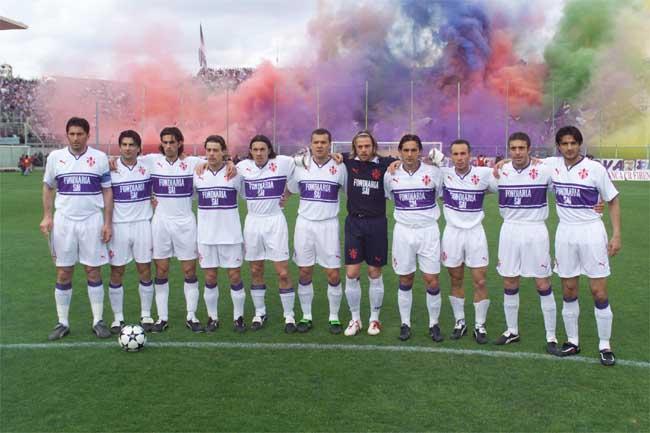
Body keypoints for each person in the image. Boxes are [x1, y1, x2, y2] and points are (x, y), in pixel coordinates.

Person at [547, 126, 621, 366]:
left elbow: (612, 200)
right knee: (569, 290)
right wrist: (502, 162)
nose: (569, 148)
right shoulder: (552, 166)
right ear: (558, 146)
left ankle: (605, 344)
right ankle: (572, 341)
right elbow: (525, 161)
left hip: (592, 233)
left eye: (573, 143)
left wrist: (616, 235)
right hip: (565, 234)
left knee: (599, 291)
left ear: (580, 144)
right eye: (564, 143)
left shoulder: (595, 169)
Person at [40, 117, 113, 340]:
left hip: (92, 220)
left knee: (93, 270)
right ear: (67, 135)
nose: (75, 138)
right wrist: (47, 216)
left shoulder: (100, 158)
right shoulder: (55, 157)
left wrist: (107, 222)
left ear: (87, 135)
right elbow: (48, 187)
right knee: (64, 272)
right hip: (64, 222)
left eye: (80, 134)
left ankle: (98, 321)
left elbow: (107, 191)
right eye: (71, 134)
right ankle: (62, 322)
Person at [492, 132, 558, 353]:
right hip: (509, 230)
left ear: (529, 149)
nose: (517, 152)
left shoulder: (544, 169)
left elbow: (567, 171)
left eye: (522, 148)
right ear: (509, 150)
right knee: (509, 281)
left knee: (542, 283)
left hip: (535, 230)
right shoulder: (501, 171)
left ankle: (551, 336)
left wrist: (597, 203)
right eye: (513, 148)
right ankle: (512, 331)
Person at [139, 127, 204, 333]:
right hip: (161, 223)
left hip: (185, 223)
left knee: (189, 270)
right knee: (161, 270)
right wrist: (112, 162)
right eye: (165, 142)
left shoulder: (193, 163)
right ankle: (162, 318)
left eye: (172, 142)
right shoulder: (151, 161)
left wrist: (229, 163)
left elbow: (216, 162)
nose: (168, 146)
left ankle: (191, 316)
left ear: (180, 143)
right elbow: (126, 160)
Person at [286, 128, 347, 334]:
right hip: (304, 225)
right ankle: (306, 316)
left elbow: (350, 190)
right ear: (310, 144)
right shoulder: (301, 166)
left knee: (333, 274)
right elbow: (291, 189)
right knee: (304, 271)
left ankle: (334, 317)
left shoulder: (340, 167)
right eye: (316, 142)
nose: (319, 145)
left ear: (330, 144)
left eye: (323, 142)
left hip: (329, 225)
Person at [384, 134, 444, 341]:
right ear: (400, 152)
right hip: (403, 231)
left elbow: (439, 193)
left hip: (428, 231)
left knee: (432, 280)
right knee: (405, 277)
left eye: (413, 150)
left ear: (420, 151)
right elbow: (390, 196)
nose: (409, 154)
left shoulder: (434, 172)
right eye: (406, 150)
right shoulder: (390, 175)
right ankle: (405, 323)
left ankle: (434, 324)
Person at [337, 131, 396, 336]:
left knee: (374, 272)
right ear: (355, 147)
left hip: (377, 224)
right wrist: (339, 155)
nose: (363, 150)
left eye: (367, 146)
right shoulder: (347, 163)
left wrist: (395, 162)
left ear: (373, 146)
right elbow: (337, 156)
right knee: (352, 273)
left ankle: (374, 319)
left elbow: (399, 161)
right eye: (359, 146)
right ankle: (355, 319)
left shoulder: (384, 164)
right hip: (354, 223)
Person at [237, 134, 297, 333]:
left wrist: (288, 193)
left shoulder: (283, 163)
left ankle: (289, 315)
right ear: (250, 151)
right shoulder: (242, 167)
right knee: (256, 270)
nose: (259, 153)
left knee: (283, 271)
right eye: (255, 149)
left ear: (269, 150)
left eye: (262, 149)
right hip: (253, 222)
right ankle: (260, 312)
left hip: (275, 221)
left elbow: (307, 163)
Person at [441, 139, 496, 344]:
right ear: (451, 156)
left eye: (463, 153)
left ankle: (480, 325)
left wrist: (502, 163)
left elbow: (504, 178)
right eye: (455, 154)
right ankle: (460, 321)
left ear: (470, 155)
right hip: (452, 233)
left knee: (480, 280)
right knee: (455, 279)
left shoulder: (484, 174)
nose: (459, 158)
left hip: (475, 233)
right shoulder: (443, 174)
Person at [194, 135, 246, 332]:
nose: (212, 154)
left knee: (234, 276)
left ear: (224, 151)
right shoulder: (197, 173)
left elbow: (247, 194)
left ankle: (238, 317)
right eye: (208, 150)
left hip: (231, 235)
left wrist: (231, 163)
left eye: (216, 150)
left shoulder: (235, 173)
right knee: (210, 277)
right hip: (206, 236)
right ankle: (212, 317)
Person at [106, 130, 154, 333]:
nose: (128, 148)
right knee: (117, 271)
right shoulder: (110, 168)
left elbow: (180, 158)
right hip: (119, 226)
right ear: (119, 147)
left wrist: (229, 161)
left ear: (138, 148)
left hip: (143, 224)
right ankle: (118, 318)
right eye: (124, 145)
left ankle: (146, 315)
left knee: (145, 270)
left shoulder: (149, 165)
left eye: (132, 145)